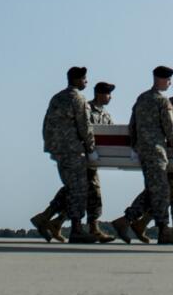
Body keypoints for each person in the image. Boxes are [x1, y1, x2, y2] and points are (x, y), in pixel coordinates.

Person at [32, 81, 117, 243]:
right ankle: (85, 226)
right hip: (79, 155)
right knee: (79, 191)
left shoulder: (105, 114)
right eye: (107, 94)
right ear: (99, 93)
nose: (110, 97)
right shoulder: (85, 107)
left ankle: (51, 219)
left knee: (80, 191)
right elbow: (83, 129)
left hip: (91, 159)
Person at [112, 65, 173, 244]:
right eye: (168, 80)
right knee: (161, 191)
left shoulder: (142, 98)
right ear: (161, 79)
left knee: (154, 190)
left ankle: (125, 221)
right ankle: (163, 230)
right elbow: (169, 127)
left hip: (143, 151)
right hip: (156, 150)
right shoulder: (163, 101)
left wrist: (134, 146)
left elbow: (132, 125)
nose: (169, 83)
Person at [134, 79, 173, 243]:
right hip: (164, 155)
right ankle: (172, 229)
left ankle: (142, 224)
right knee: (171, 192)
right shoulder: (164, 104)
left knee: (164, 192)